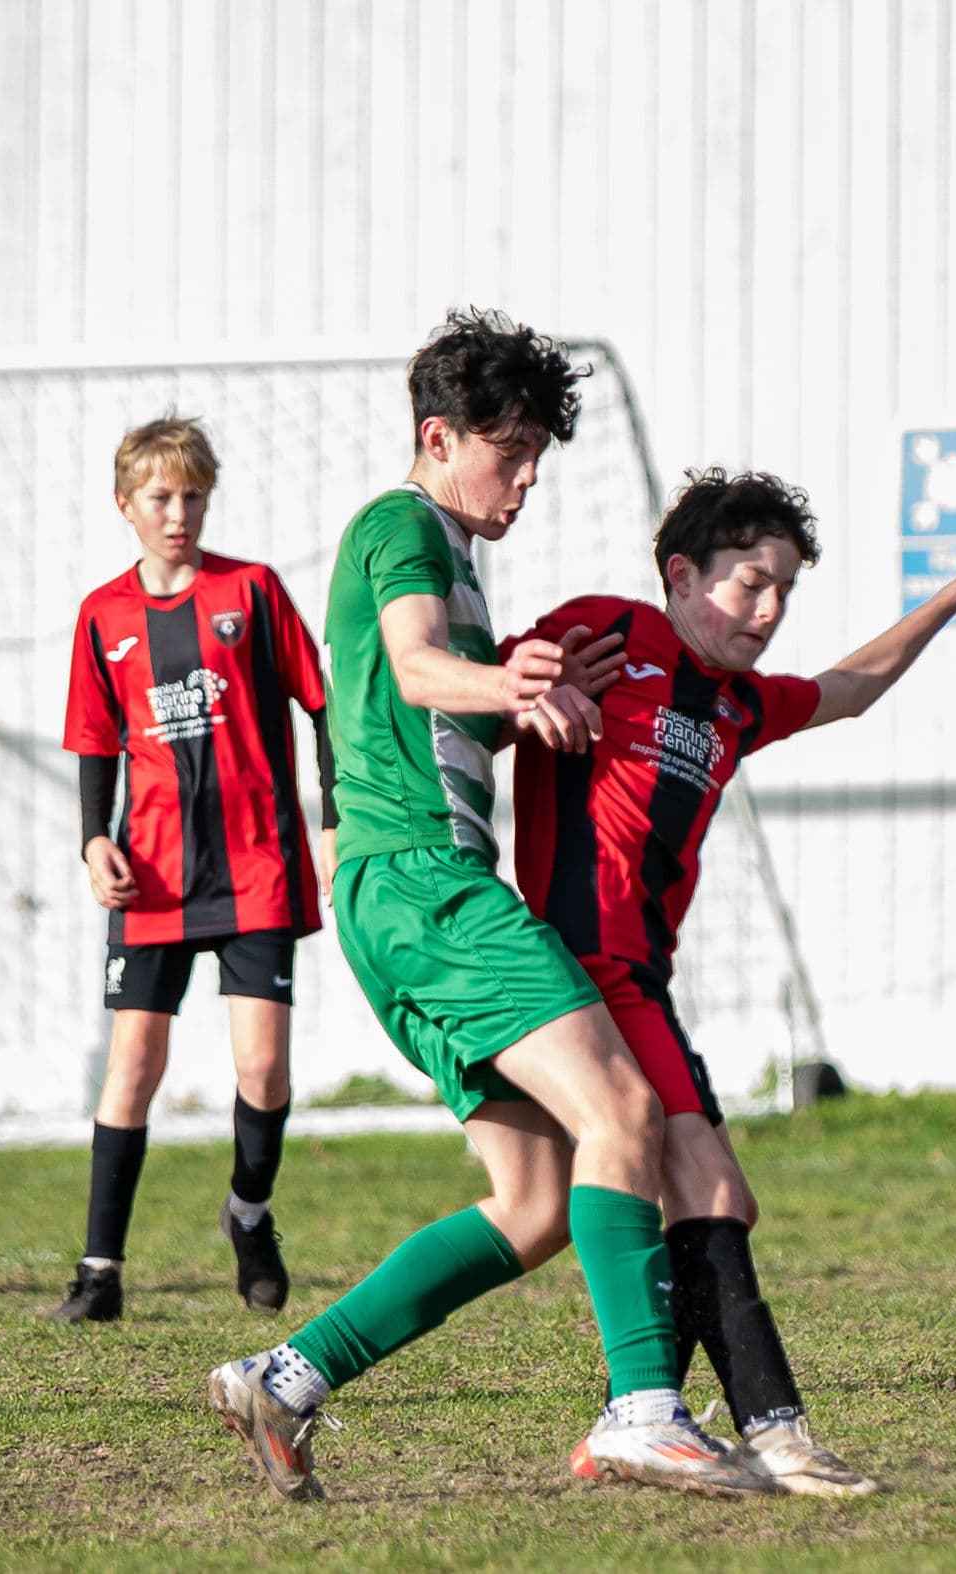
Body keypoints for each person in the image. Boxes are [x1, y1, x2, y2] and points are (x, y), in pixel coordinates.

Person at [205, 310, 772, 1502]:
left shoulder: (455, 554)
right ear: (438, 437)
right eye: (509, 454)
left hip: (400, 896)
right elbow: (417, 664)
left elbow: (422, 705)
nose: (525, 480)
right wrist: (507, 680)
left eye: (536, 458)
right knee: (624, 1104)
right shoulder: (402, 524)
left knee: (536, 1199)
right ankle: (643, 1410)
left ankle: (288, 1376)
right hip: (426, 883)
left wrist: (525, 701)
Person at [509, 468, 956, 1495]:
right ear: (682, 574)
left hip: (641, 977)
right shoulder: (611, 632)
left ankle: (631, 1420)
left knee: (712, 1199)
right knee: (711, 1190)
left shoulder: (735, 703)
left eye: (785, 592)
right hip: (586, 967)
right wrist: (533, 688)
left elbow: (849, 688)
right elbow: (487, 691)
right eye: (751, 583)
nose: (768, 611)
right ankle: (774, 1433)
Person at [54, 415, 333, 1324]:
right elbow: (95, 739)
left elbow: (322, 704)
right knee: (132, 1063)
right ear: (125, 504)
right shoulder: (104, 615)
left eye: (194, 496)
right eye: (161, 497)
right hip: (155, 875)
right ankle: (99, 1274)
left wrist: (335, 822)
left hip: (256, 866)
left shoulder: (251, 591)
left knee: (264, 1068)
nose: (179, 514)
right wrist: (93, 840)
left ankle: (249, 1215)